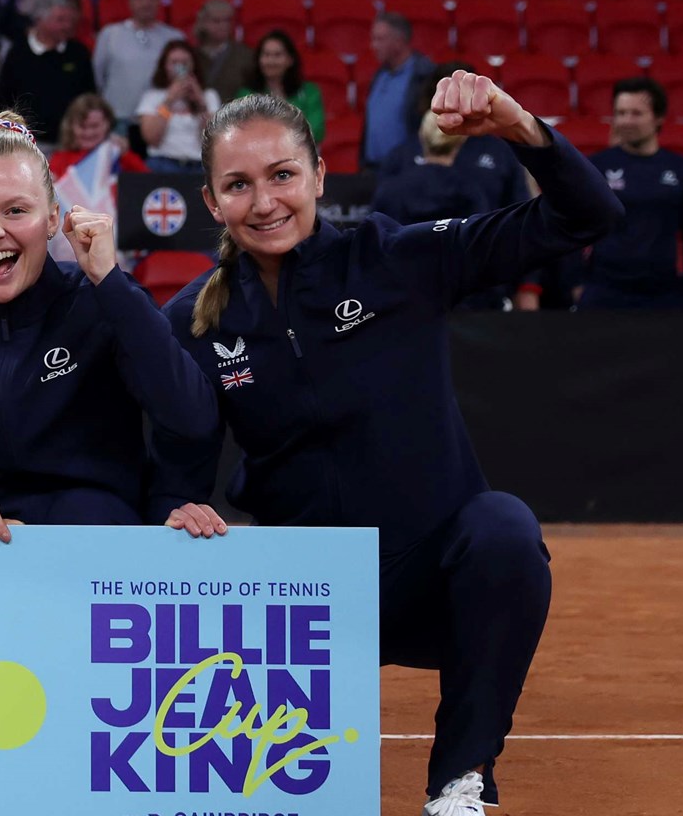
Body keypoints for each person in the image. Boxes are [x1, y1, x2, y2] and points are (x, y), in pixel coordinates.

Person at [162, 76, 623, 816]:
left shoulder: (398, 258)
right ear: (214, 203)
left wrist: (514, 124)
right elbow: (176, 464)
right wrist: (176, 505)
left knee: (502, 529)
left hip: (426, 588)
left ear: (318, 173)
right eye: (239, 185)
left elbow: (590, 213)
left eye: (283, 174)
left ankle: (459, 781)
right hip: (299, 607)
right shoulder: (193, 319)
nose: (266, 200)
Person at [0, 110, 218, 537]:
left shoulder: (105, 299)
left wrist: (109, 284)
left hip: (99, 556)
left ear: (53, 218)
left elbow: (192, 418)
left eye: (15, 210)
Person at [581, 77, 683, 310]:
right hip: (605, 290)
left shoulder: (681, 169)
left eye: (636, 113)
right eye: (621, 113)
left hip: (664, 293)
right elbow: (574, 226)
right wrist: (575, 282)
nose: (626, 121)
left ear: (658, 118)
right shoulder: (596, 166)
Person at [0, 0, 97, 146]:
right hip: (25, 143)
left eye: (71, 20)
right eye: (60, 20)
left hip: (70, 142)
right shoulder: (18, 52)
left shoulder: (79, 53)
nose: (67, 26)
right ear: (40, 20)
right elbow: (3, 98)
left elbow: (89, 97)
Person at [371, 109, 497, 230]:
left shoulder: (390, 191)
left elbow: (372, 238)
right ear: (461, 140)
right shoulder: (470, 193)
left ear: (421, 135)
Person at [47, 93, 147, 238]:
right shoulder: (59, 159)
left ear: (107, 124)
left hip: (115, 235)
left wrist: (124, 154)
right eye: (82, 127)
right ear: (71, 126)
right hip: (71, 238)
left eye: (94, 126)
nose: (88, 132)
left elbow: (149, 184)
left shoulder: (120, 157)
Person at [91, 0, 183, 132]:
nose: (146, 3)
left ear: (159, 1)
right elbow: (98, 76)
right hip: (119, 118)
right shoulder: (110, 34)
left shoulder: (174, 37)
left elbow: (181, 76)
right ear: (130, 1)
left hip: (160, 118)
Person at [364, 10, 435, 171]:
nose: (373, 46)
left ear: (399, 40)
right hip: (373, 169)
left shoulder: (423, 75)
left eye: (380, 39)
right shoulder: (380, 75)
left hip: (407, 169)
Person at [136, 39, 218, 172]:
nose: (179, 68)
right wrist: (169, 102)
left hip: (198, 164)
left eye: (185, 63)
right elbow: (152, 138)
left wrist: (201, 104)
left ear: (193, 65)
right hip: (162, 163)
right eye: (174, 62)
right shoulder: (152, 97)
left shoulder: (209, 95)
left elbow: (214, 139)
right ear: (164, 66)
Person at [237, 30, 325, 142]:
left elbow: (316, 131)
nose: (271, 61)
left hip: (299, 155)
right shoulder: (246, 93)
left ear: (290, 60)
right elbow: (243, 129)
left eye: (277, 55)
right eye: (266, 55)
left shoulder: (309, 92)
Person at [189, 0, 256, 101]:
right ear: (202, 22)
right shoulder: (190, 56)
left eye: (227, 20)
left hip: (235, 114)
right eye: (216, 21)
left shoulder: (246, 55)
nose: (223, 25)